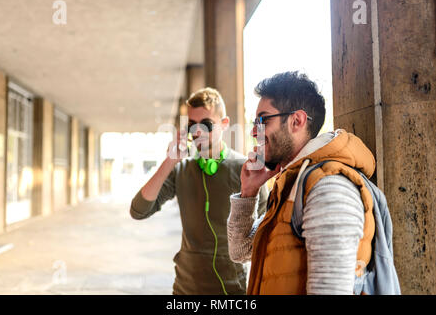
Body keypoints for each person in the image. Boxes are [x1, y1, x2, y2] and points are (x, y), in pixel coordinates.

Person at [227, 71, 376, 295]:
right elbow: (241, 251)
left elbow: (330, 290)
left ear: (297, 120)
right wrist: (248, 192)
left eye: (262, 120)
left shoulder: (328, 188)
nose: (253, 131)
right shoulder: (292, 182)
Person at [130, 87, 268, 295]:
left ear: (224, 124)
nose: (198, 132)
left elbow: (263, 233)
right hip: (185, 289)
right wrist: (170, 161)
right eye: (192, 125)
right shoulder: (182, 170)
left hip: (232, 290)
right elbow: (138, 210)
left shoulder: (246, 170)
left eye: (206, 124)